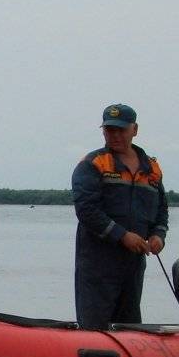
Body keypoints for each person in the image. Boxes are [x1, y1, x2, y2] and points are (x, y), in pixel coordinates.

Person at [71, 104, 169, 329]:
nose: (114, 135)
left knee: (129, 327)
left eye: (121, 130)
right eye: (109, 130)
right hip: (97, 264)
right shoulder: (92, 164)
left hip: (133, 264)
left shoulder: (152, 168)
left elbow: (161, 209)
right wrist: (122, 236)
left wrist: (158, 235)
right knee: (95, 327)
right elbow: (86, 210)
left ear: (134, 130)